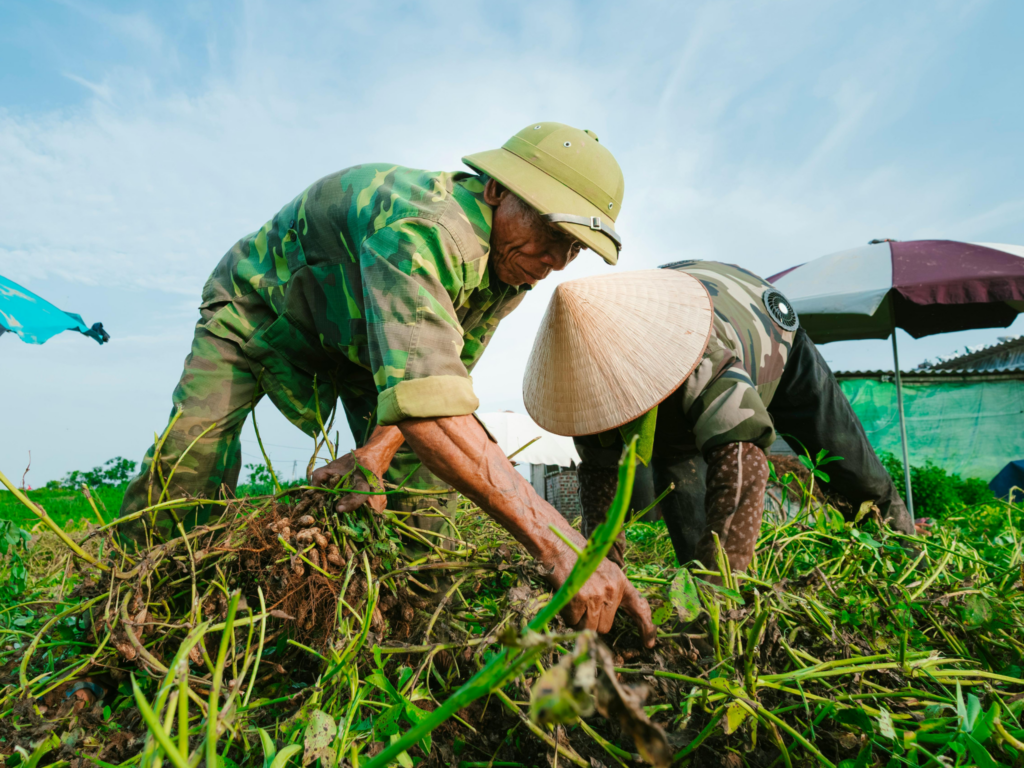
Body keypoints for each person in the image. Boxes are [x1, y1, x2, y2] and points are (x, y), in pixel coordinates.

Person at [119, 122, 656, 646]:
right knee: (191, 458)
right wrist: (561, 545)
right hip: (263, 308)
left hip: (364, 342)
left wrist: (375, 454)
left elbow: (440, 381)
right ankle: (136, 612)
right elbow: (429, 408)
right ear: (497, 190)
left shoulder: (510, 266)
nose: (556, 263)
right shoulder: (425, 230)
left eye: (575, 248)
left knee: (416, 479)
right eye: (553, 235)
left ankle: (416, 641)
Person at [522, 261, 916, 576]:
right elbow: (600, 492)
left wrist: (719, 589)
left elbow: (744, 462)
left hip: (766, 330)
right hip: (677, 402)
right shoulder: (588, 395)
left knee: (853, 470)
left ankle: (905, 549)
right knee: (694, 544)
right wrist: (602, 574)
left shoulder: (699, 354)